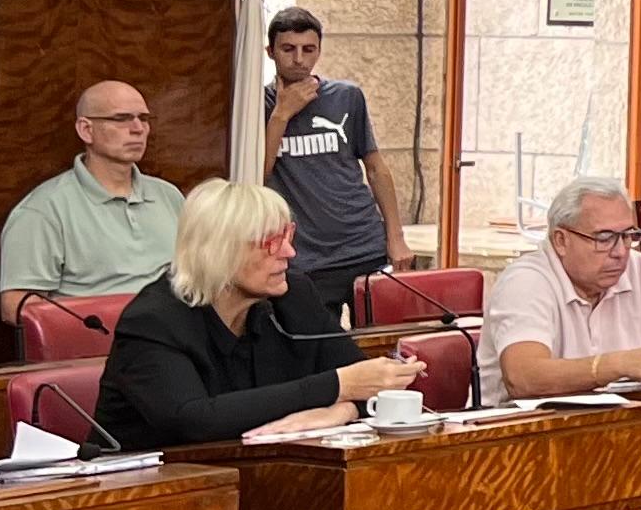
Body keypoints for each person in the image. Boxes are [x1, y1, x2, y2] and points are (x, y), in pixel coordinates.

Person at [96, 179, 421, 450]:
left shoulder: (294, 296)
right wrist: (336, 388)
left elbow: (366, 379)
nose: (289, 252)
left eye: (288, 235)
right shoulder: (153, 319)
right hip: (146, 490)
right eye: (271, 242)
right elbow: (193, 420)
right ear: (218, 250)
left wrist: (341, 411)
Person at [484, 176, 641, 400]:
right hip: (528, 433)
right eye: (604, 238)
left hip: (628, 424)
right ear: (561, 240)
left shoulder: (638, 268)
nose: (619, 252)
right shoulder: (526, 281)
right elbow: (524, 378)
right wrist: (620, 364)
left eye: (627, 236)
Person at [260, 7, 412, 311]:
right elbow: (256, 176)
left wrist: (396, 238)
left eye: (308, 49)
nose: (299, 59)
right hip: (304, 258)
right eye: (288, 49)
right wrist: (281, 115)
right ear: (270, 52)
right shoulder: (257, 104)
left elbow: (376, 169)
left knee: (380, 337)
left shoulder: (347, 97)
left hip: (363, 245)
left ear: (319, 51)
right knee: (320, 341)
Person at [0, 80, 186, 324]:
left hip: (177, 334)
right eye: (121, 119)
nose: (138, 128)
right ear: (86, 130)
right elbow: (16, 306)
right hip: (101, 339)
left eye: (144, 118)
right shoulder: (43, 209)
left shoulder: (169, 196)